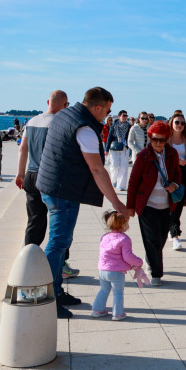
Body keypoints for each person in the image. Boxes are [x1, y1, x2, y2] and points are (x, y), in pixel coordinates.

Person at [36, 86, 128, 319]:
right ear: (97, 107)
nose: (108, 114)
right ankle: (48, 298)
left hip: (51, 184)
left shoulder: (66, 114)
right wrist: (116, 202)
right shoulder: (85, 128)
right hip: (62, 191)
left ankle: (57, 290)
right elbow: (97, 169)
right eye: (107, 109)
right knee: (58, 244)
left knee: (60, 242)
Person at [15, 91, 79, 279]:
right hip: (51, 177)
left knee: (34, 221)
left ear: (47, 102)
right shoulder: (60, 123)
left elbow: (22, 148)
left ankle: (26, 263)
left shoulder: (32, 121)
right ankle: (62, 265)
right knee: (60, 222)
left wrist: (20, 173)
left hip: (31, 175)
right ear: (65, 105)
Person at [126, 121, 181, 286]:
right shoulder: (143, 156)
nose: (157, 143)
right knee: (152, 240)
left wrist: (174, 185)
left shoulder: (172, 154)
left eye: (161, 140)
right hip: (147, 205)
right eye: (154, 139)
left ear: (167, 139)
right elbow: (133, 182)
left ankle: (150, 258)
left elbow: (178, 175)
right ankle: (156, 273)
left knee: (162, 238)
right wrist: (130, 207)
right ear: (150, 138)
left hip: (166, 204)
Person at [91, 211, 144, 321]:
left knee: (104, 290)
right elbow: (127, 256)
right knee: (118, 293)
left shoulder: (105, 237)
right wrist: (139, 262)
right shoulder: (124, 239)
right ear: (123, 225)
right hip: (116, 271)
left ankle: (97, 310)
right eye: (127, 223)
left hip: (102, 270)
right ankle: (117, 313)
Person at [166, 114, 186, 250]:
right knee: (169, 203)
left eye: (182, 123)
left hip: (183, 173)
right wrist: (175, 160)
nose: (179, 125)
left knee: (178, 202)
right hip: (168, 174)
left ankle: (174, 233)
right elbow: (161, 154)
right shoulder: (166, 137)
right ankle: (174, 233)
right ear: (172, 123)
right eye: (177, 122)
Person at [105, 110, 131, 191]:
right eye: (123, 115)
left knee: (123, 167)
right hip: (114, 147)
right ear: (119, 116)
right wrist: (106, 149)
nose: (125, 117)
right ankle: (114, 180)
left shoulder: (129, 126)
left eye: (126, 115)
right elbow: (109, 137)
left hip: (124, 147)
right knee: (115, 166)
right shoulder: (114, 125)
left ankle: (121, 185)